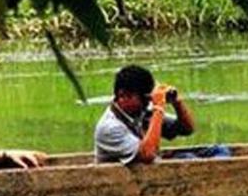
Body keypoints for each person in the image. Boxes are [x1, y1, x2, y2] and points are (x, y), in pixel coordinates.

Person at [94, 65, 229, 164]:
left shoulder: (142, 111)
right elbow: (148, 154)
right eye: (144, 98)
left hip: (153, 167)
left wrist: (177, 102)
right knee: (188, 160)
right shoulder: (109, 127)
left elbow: (187, 129)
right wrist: (158, 108)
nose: (148, 103)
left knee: (219, 150)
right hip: (133, 178)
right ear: (123, 95)